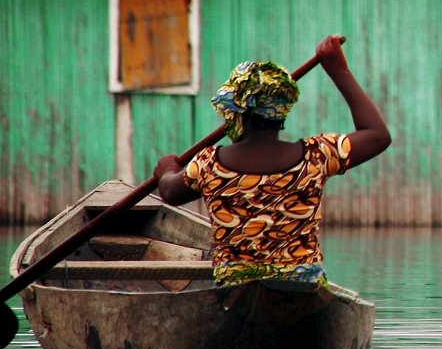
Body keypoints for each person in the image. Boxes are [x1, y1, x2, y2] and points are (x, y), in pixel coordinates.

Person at [155, 34, 391, 286]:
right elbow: (377, 135)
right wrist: (338, 71)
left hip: (235, 286)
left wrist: (167, 169)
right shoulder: (317, 156)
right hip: (303, 285)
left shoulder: (209, 164)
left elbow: (170, 192)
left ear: (237, 114)